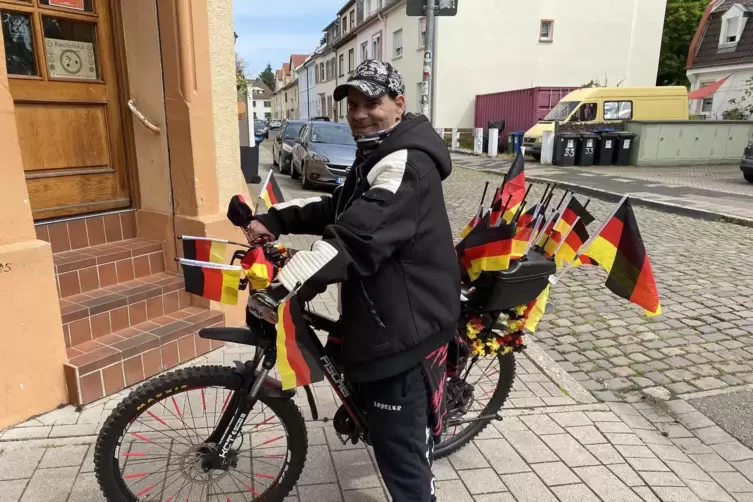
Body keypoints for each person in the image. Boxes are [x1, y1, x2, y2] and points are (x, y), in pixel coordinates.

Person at [246, 60, 459, 501]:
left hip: (405, 328)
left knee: (400, 456)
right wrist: (274, 220)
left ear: (399, 104)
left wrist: (293, 279)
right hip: (378, 307)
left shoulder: (407, 165)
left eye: (372, 103)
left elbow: (357, 235)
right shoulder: (374, 157)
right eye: (353, 105)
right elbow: (336, 209)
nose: (360, 114)